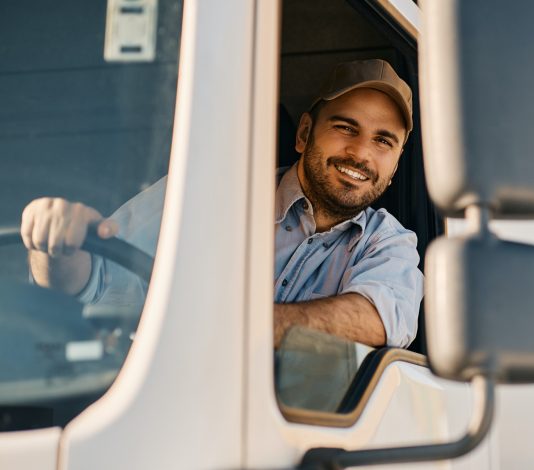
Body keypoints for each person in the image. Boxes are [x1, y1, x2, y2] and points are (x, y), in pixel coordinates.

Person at [22, 59, 423, 349]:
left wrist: (224, 327)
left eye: (383, 141)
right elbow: (96, 280)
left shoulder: (389, 243)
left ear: (394, 167)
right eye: (344, 127)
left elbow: (379, 319)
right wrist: (54, 245)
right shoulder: (206, 191)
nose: (360, 154)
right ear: (304, 134)